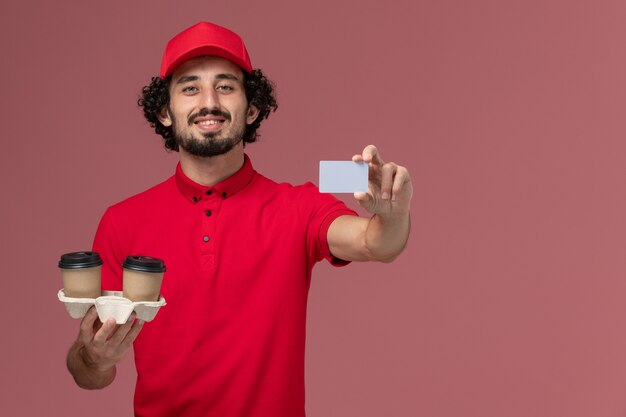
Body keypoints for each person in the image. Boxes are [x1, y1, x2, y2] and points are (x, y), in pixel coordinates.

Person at [66, 21, 412, 417]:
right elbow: (88, 372)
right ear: (165, 111)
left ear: (251, 109)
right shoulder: (122, 221)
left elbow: (376, 242)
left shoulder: (298, 206)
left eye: (226, 86)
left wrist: (393, 211)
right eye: (190, 87)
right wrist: (95, 357)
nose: (209, 101)